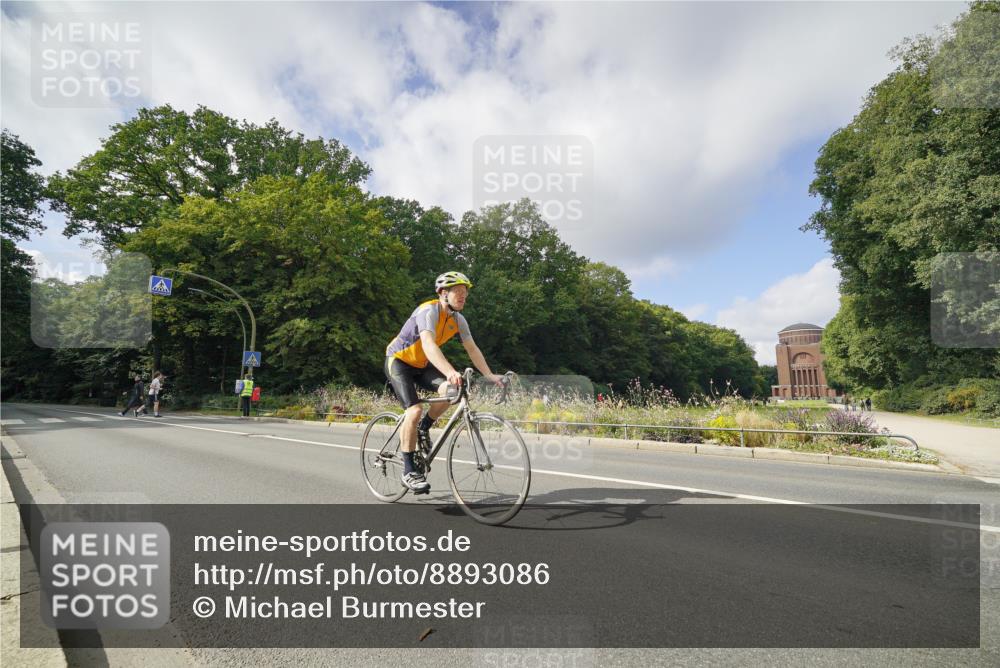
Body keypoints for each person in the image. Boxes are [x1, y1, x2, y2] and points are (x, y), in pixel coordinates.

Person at [385, 271, 503, 494]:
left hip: (422, 366)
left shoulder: (458, 320)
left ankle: (424, 428)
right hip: (399, 361)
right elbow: (429, 345)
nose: (462, 297)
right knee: (414, 410)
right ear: (443, 293)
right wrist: (449, 371)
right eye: (457, 292)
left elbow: (472, 348)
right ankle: (409, 471)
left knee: (452, 392)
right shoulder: (427, 311)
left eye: (465, 294)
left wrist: (489, 375)